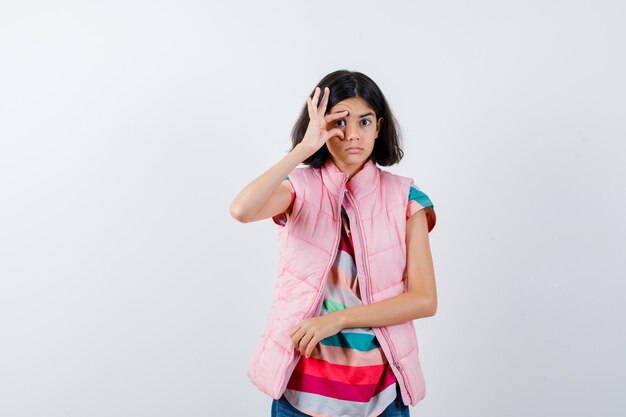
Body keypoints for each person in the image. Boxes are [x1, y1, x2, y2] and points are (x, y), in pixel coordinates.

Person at [229, 70, 437, 417]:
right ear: (321, 125)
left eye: (364, 122)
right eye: (339, 122)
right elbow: (242, 210)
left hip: (381, 396)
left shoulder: (407, 198)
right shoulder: (298, 188)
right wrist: (303, 149)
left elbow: (424, 299)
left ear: (379, 127)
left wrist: (337, 320)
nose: (352, 134)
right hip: (300, 393)